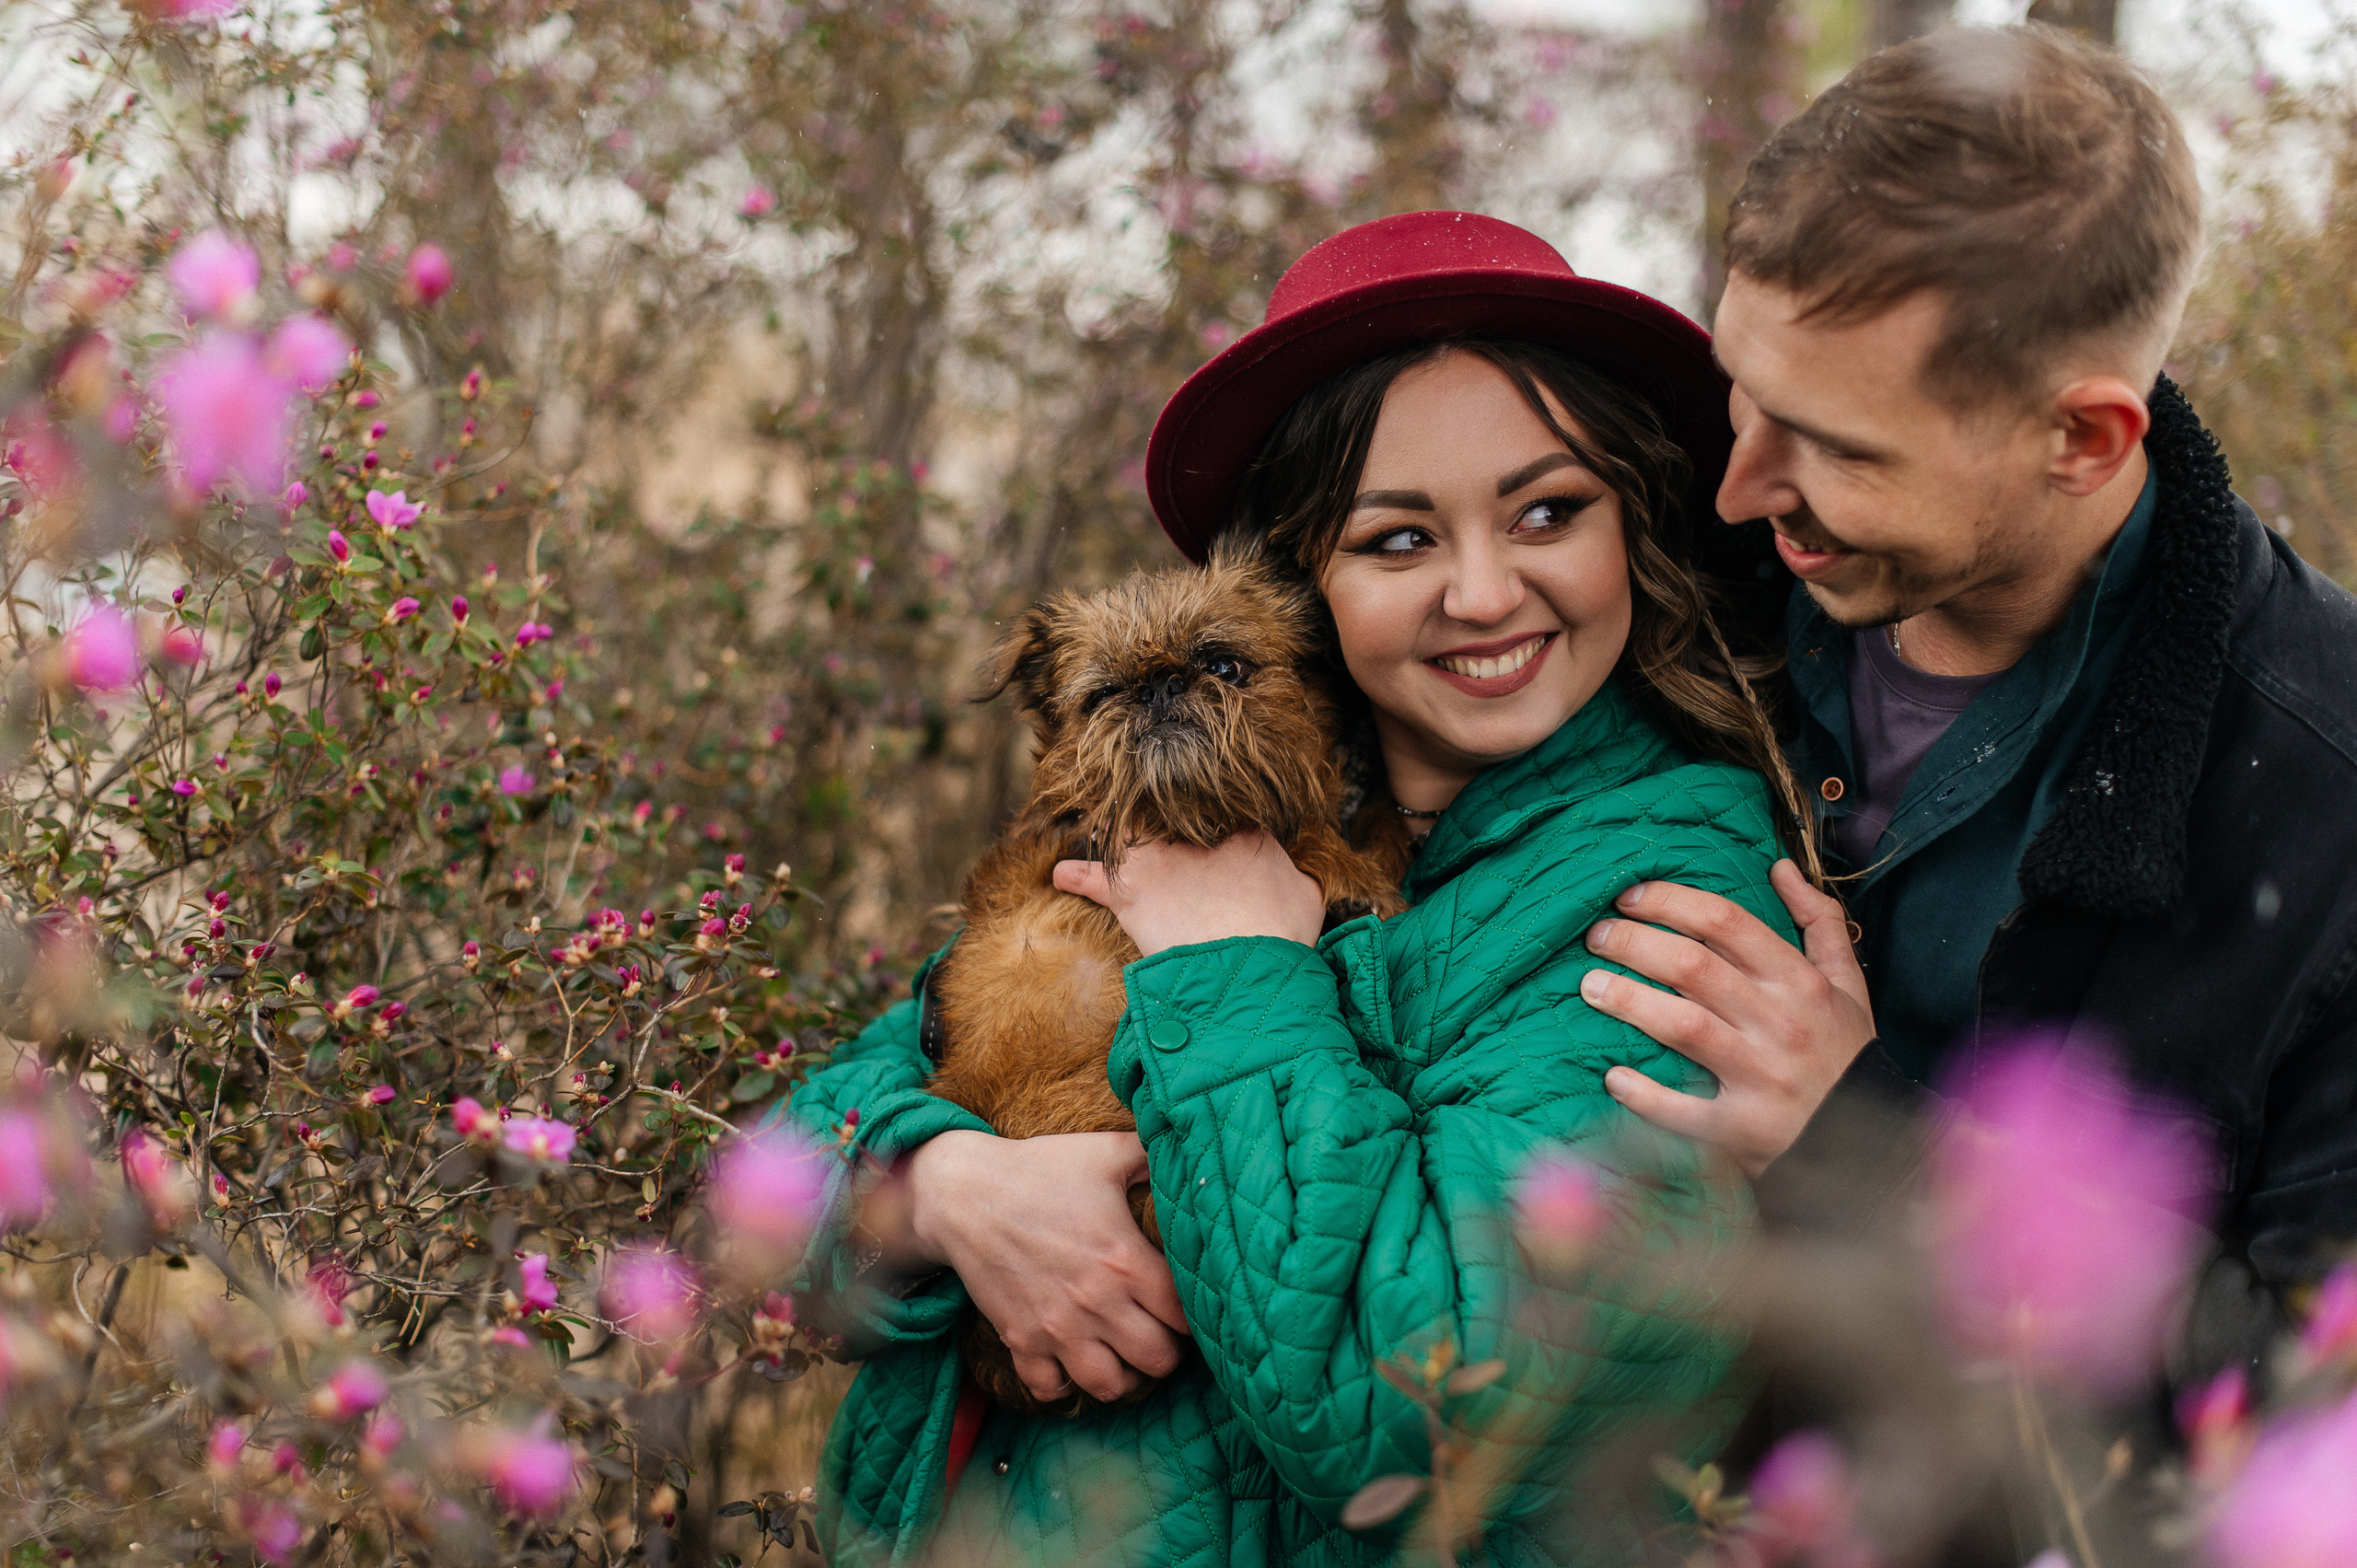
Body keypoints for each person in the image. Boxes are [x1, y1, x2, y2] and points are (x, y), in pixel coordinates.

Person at [781, 211, 1814, 1565]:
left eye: (1547, 511)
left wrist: (1233, 971)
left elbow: (1426, 1417)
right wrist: (946, 1189)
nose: (1483, 592)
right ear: (1302, 591)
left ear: (1636, 523)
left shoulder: (1674, 879)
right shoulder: (1206, 829)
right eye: (1397, 539)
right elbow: (765, 1195)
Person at [1577, 25, 2357, 1351]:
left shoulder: (2323, 799)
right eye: (1740, 389)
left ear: (2083, 437)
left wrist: (1874, 1154)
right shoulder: (1667, 558)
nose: (1736, 489)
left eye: (1837, 449)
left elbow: (2296, 1393)